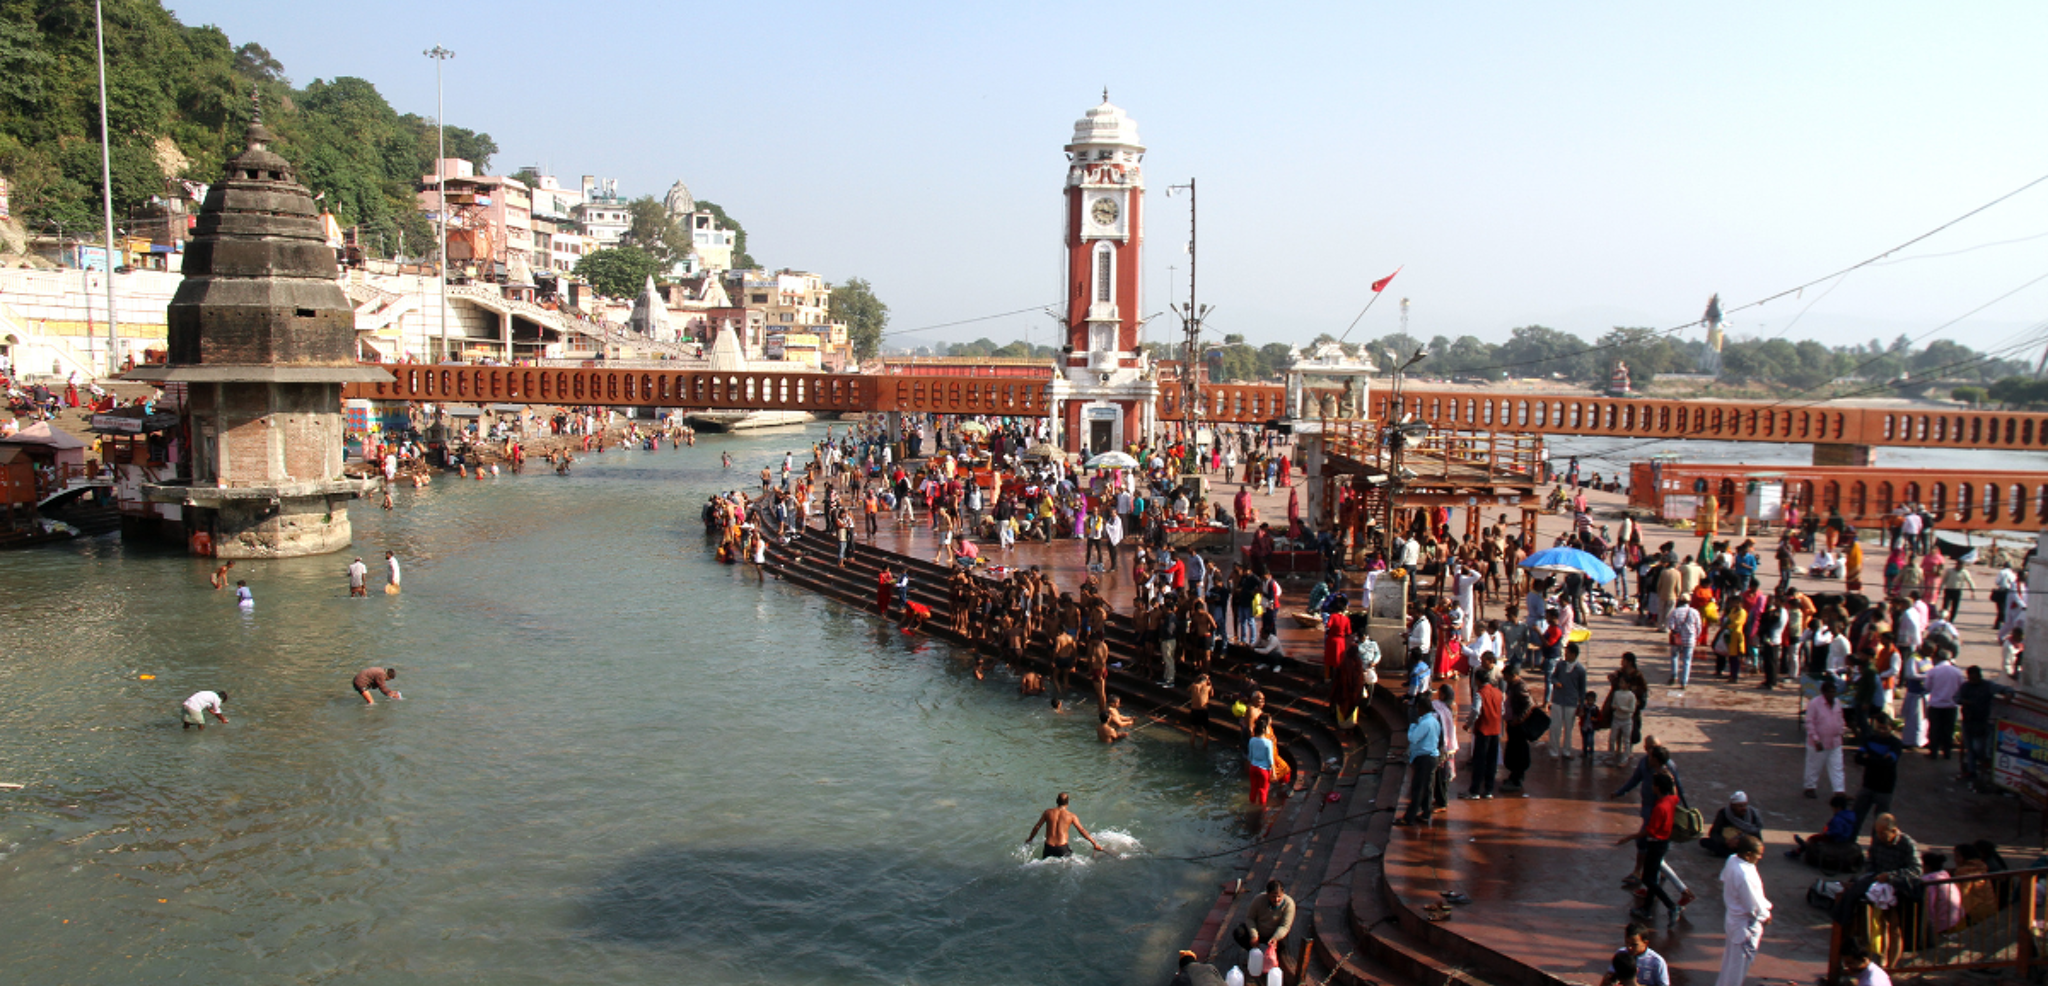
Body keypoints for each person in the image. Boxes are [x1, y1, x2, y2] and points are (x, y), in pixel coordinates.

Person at [1615, 772, 1681, 927]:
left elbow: (1650, 830)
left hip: (1655, 844)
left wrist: (1630, 837)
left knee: (1648, 879)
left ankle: (1671, 906)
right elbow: (1675, 794)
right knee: (1652, 877)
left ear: (1657, 787)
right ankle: (1646, 909)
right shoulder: (1671, 800)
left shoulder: (1660, 807)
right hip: (1663, 843)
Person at [1716, 835, 1772, 986]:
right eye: (1758, 854)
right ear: (1748, 854)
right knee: (1737, 968)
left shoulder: (1733, 860)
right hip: (1744, 926)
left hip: (1734, 921)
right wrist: (1764, 916)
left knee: (1730, 962)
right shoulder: (1744, 875)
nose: (1760, 857)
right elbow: (1752, 906)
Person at [1851, 717, 1904, 837]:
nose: (1882, 731)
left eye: (1885, 728)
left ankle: (1877, 846)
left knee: (1882, 822)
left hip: (1885, 788)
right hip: (1868, 784)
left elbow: (1889, 762)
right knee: (1856, 817)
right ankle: (1850, 842)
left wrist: (1870, 758)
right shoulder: (1870, 739)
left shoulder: (1895, 743)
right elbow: (1858, 758)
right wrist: (1879, 759)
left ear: (1891, 728)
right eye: (1879, 728)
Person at [1395, 696, 1443, 825]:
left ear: (1421, 708)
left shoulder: (1425, 723)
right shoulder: (1434, 721)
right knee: (1427, 787)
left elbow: (1413, 738)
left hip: (1424, 758)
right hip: (1431, 757)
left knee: (1419, 788)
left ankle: (1409, 818)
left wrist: (1412, 726)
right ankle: (1426, 813)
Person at [1232, 879, 1296, 972]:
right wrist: (1254, 935)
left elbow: (1285, 926)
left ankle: (1271, 961)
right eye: (1273, 896)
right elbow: (1250, 918)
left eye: (1279, 896)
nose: (1276, 900)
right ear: (1267, 894)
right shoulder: (1258, 900)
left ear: (1283, 893)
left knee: (1283, 946)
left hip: (1274, 933)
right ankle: (1254, 955)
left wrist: (1275, 938)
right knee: (1239, 932)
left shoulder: (1289, 904)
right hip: (1259, 930)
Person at [1024, 792, 1104, 859]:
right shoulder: (1071, 816)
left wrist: (1030, 839)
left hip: (1048, 847)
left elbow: (1037, 827)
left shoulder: (1048, 812)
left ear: (1056, 801)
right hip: (1062, 848)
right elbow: (1082, 831)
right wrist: (1094, 844)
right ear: (1067, 803)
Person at [1805, 678, 1847, 798]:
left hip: (1835, 742)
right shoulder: (1814, 703)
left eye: (1834, 692)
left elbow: (1840, 719)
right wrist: (1816, 739)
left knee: (1837, 766)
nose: (1832, 694)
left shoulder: (1837, 703)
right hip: (1818, 743)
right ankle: (1810, 787)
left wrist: (1841, 730)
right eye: (1830, 692)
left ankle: (1839, 790)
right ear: (1824, 693)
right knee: (1814, 766)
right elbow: (1809, 722)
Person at [1599, 922, 1669, 986]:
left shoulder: (1657, 962)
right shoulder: (1622, 955)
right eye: (1627, 942)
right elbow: (1610, 975)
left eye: (1634, 945)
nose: (1629, 947)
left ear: (1645, 943)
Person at [1702, 791, 1765, 856]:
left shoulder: (1752, 813)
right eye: (1740, 806)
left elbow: (1756, 833)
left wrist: (1739, 840)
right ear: (1733, 806)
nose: (1744, 808)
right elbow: (1714, 833)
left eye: (1745, 805)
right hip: (1728, 842)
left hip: (1744, 843)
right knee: (1705, 842)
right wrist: (1726, 842)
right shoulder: (1724, 813)